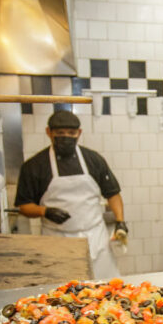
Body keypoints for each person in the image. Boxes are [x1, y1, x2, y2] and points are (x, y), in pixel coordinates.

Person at [15, 109, 127, 279]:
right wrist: (45, 211)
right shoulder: (34, 166)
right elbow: (24, 206)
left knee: (107, 286)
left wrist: (120, 222)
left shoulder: (93, 159)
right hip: (57, 241)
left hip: (96, 238)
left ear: (79, 133)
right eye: (60, 133)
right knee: (63, 289)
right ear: (49, 132)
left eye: (71, 133)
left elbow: (113, 194)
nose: (66, 137)